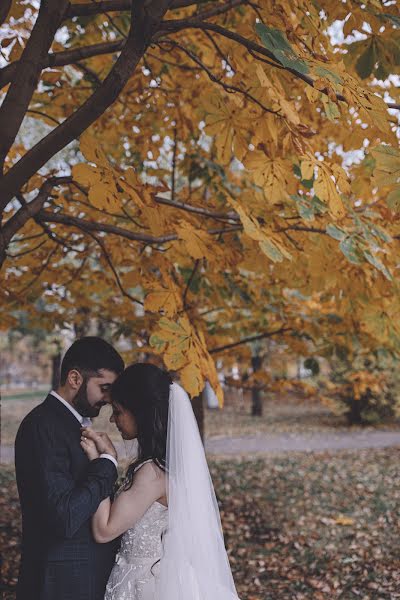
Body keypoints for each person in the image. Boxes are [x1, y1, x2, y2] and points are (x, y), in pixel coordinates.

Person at [81, 363, 240, 600]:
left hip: (140, 583)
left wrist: (102, 463)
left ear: (140, 413)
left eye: (118, 410)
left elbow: (104, 531)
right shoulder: (165, 465)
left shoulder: (152, 474)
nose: (113, 419)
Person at [14, 336, 125, 600]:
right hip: (57, 584)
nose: (109, 399)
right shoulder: (43, 426)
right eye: (104, 387)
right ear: (75, 379)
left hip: (78, 580)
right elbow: (64, 518)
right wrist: (106, 464)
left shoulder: (71, 424)